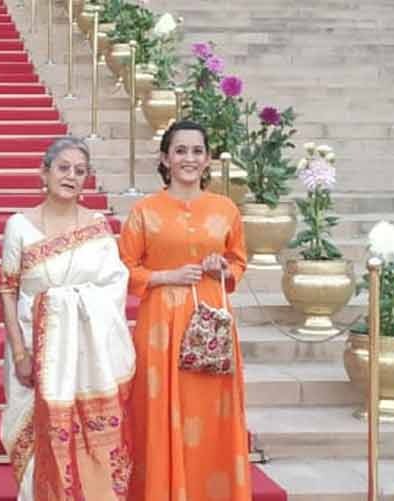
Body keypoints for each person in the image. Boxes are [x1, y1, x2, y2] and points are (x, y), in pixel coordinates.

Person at [118, 120, 252, 500]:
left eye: (197, 151)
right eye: (180, 151)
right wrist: (166, 276)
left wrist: (223, 269)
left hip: (211, 324)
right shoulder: (145, 210)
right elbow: (124, 269)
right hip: (161, 325)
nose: (189, 159)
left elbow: (238, 262)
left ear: (208, 159)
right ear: (165, 158)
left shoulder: (225, 209)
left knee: (213, 414)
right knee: (158, 415)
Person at [0, 137, 136, 499]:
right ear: (44, 172)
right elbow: (7, 292)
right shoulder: (19, 226)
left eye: (80, 171)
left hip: (90, 362)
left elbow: (114, 286)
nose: (71, 176)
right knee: (34, 450)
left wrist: (67, 303)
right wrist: (20, 354)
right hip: (34, 353)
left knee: (92, 448)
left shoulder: (97, 226)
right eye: (63, 168)